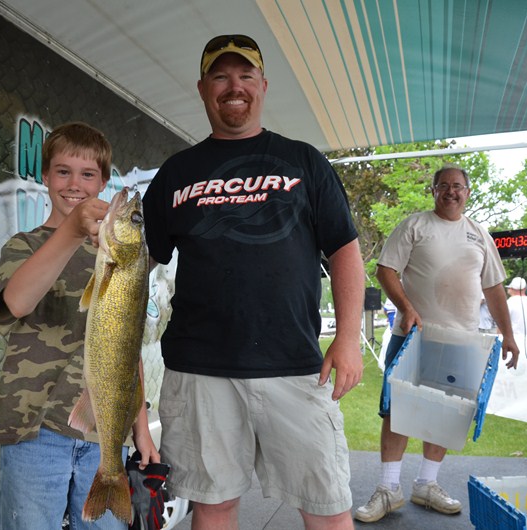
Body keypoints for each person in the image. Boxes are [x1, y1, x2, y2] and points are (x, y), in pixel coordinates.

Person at [142, 34, 365, 530]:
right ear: (203, 89)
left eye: (245, 75)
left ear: (263, 86)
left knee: (328, 506)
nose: (234, 87)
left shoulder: (304, 161)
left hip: (295, 363)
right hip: (200, 369)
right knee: (214, 506)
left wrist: (348, 338)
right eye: (221, 76)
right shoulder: (176, 173)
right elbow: (140, 263)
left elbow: (345, 252)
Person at [0, 122, 159, 530]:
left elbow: (126, 347)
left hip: (104, 434)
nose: (74, 184)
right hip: (33, 428)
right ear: (45, 176)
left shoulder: (119, 260)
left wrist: (141, 430)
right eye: (63, 171)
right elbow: (17, 302)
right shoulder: (23, 246)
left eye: (87, 174)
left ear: (102, 182)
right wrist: (72, 229)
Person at [354, 165, 519, 523]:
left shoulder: (480, 235)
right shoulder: (414, 226)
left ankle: (426, 484)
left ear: (467, 193)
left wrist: (508, 334)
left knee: (447, 413)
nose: (450, 191)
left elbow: (493, 288)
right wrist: (407, 308)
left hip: (462, 340)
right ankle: (388, 488)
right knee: (397, 411)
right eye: (443, 185)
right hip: (413, 336)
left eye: (457, 186)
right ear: (433, 191)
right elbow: (386, 270)